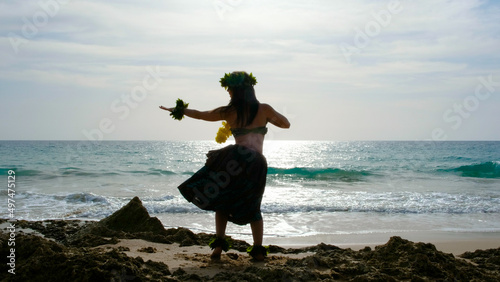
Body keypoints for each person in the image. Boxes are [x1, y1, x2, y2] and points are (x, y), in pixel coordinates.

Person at [159, 71, 290, 261]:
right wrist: (268, 118)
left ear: (237, 90)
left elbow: (202, 115)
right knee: (253, 204)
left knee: (222, 201)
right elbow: (286, 124)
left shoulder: (229, 112)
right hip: (255, 163)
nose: (228, 91)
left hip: (234, 159)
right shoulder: (264, 109)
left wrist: (178, 110)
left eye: (229, 88)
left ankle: (218, 249)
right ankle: (258, 251)